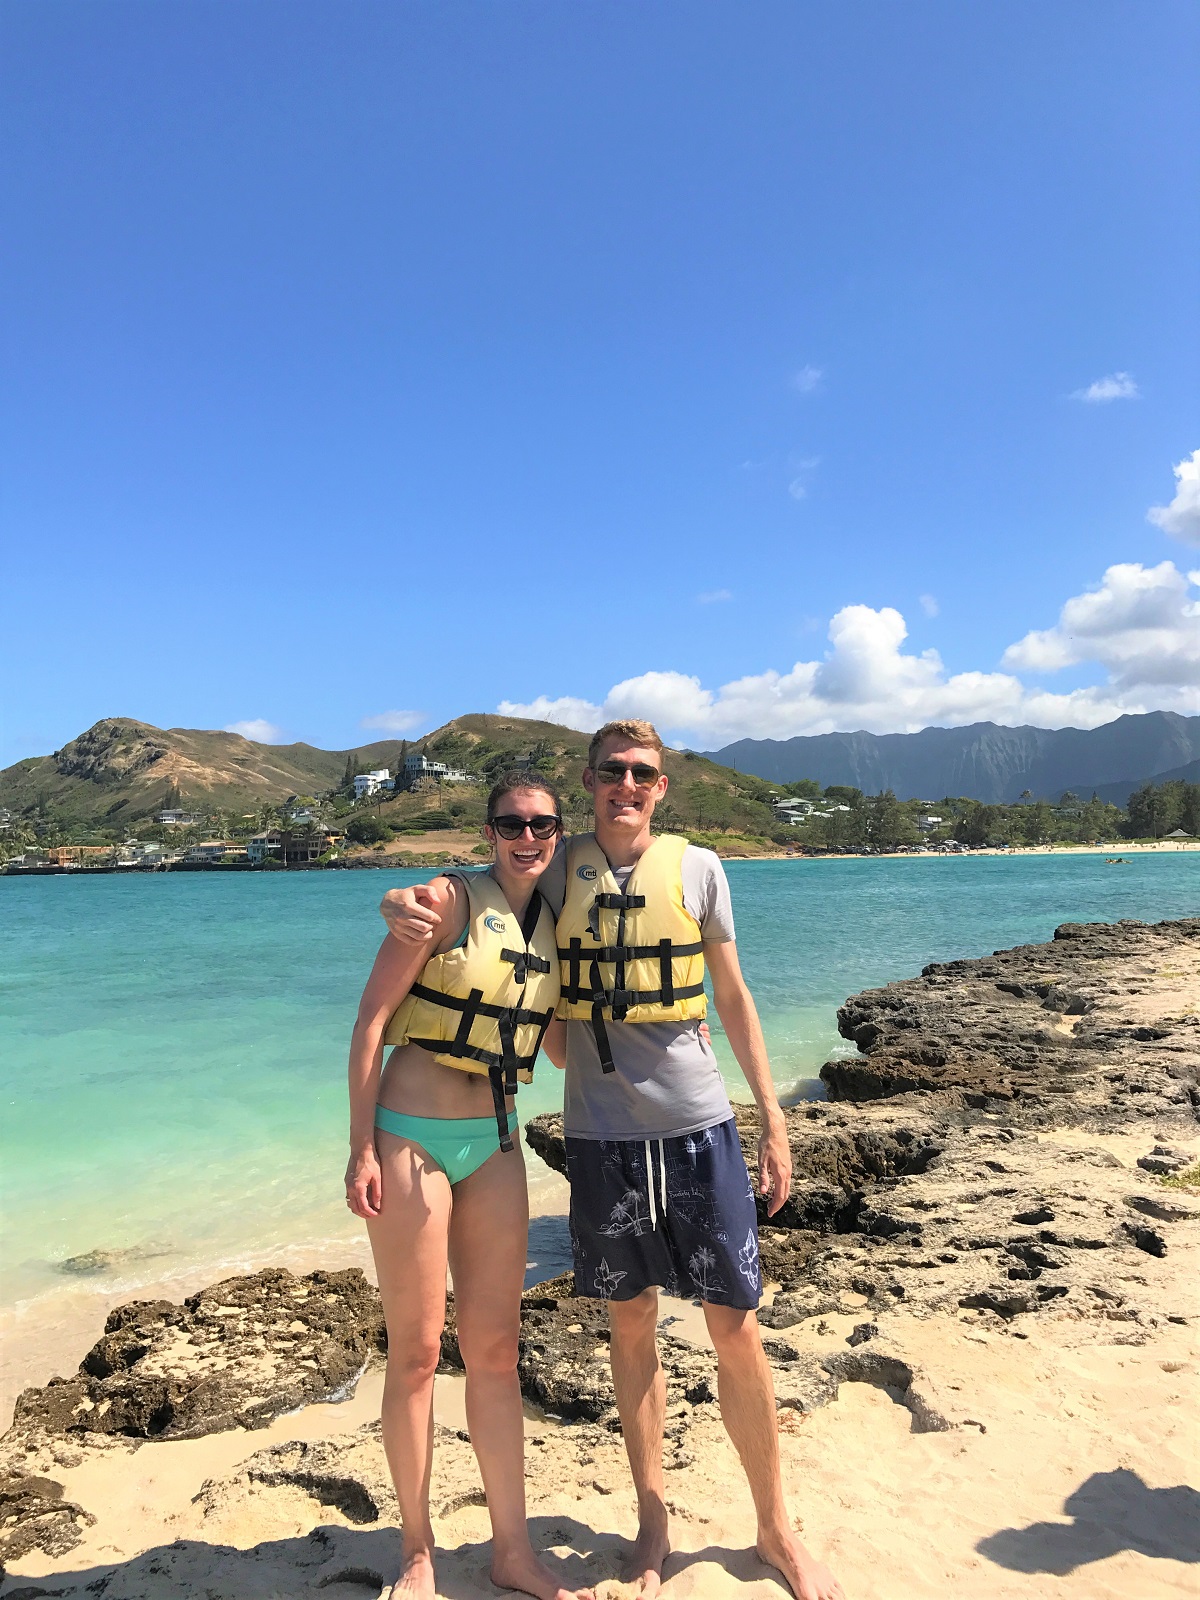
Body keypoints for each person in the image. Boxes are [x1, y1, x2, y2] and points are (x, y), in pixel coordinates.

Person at [381, 721, 844, 1600]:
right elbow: (478, 888)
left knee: (736, 1327)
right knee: (629, 1325)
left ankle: (776, 1528)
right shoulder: (557, 866)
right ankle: (651, 1520)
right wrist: (399, 902)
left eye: (642, 773)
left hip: (699, 1127)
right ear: (589, 783)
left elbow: (733, 994)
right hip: (599, 1138)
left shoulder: (701, 869)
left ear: (660, 787)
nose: (626, 785)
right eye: (612, 773)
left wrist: (774, 1121)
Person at [345, 771, 593, 1600]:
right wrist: (360, 1149)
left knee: (495, 1352)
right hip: (410, 1139)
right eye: (510, 824)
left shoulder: (555, 923)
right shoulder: (445, 903)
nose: (527, 838)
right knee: (417, 1353)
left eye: (542, 825)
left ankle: (511, 1550)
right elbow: (369, 1025)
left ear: (558, 833)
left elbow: (558, 1048)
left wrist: (668, 1018)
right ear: (488, 832)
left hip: (496, 1144)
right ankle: (417, 1551)